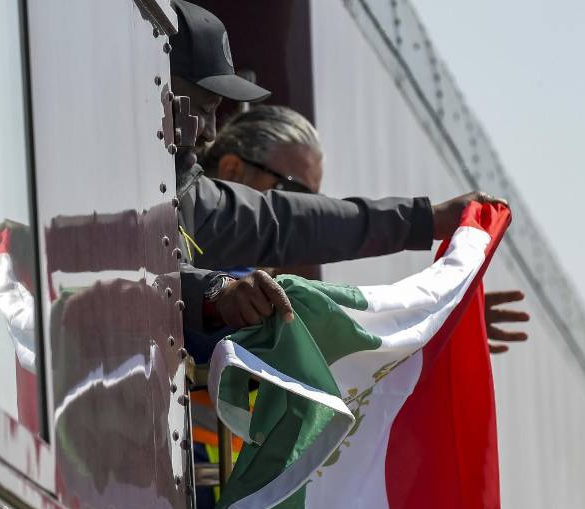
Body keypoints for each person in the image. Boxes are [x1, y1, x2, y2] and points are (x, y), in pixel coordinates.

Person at [167, 1, 508, 338]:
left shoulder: (194, 204)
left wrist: (426, 227)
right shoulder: (240, 285)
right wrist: (215, 292)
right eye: (291, 189)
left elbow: (293, 222)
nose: (209, 131)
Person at [202, 104, 531, 353]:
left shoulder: (265, 290)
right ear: (231, 170)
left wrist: (434, 324)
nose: (304, 211)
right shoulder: (190, 263)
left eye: (313, 201)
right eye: (296, 195)